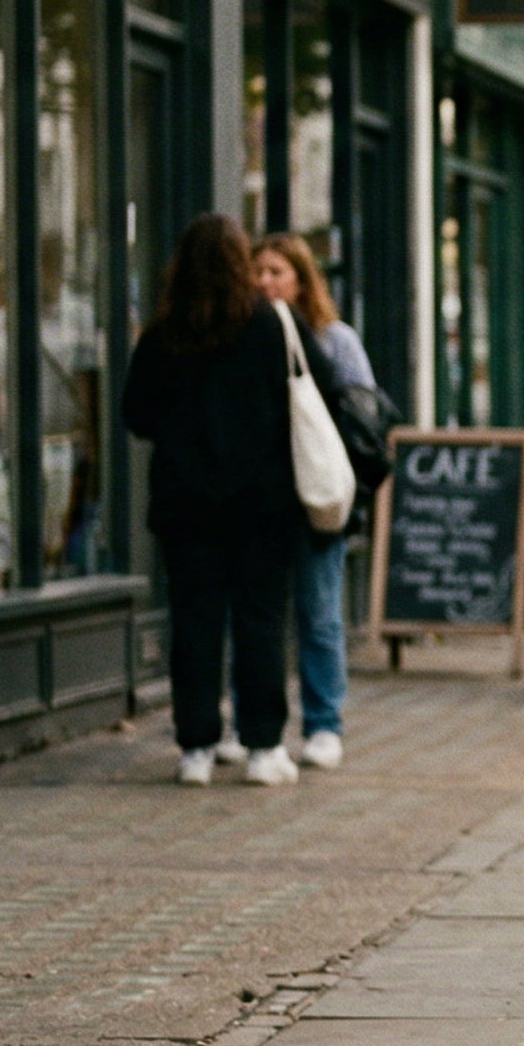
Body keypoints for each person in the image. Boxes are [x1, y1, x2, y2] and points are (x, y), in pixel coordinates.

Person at [125, 215, 332, 788]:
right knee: (260, 622)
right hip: (262, 505)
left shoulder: (165, 332)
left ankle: (196, 748)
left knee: (194, 623)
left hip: (186, 506)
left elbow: (135, 414)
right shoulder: (271, 324)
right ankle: (263, 746)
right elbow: (316, 391)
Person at [247, 234, 370, 770]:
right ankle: (251, 723)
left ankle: (323, 723)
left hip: (317, 493)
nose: (265, 282)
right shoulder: (243, 336)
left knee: (319, 612)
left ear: (301, 280)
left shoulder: (334, 339)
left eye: (276, 272)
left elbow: (365, 413)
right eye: (257, 272)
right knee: (255, 617)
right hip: (262, 496)